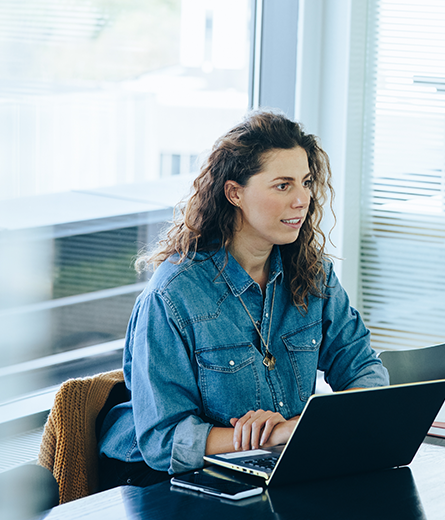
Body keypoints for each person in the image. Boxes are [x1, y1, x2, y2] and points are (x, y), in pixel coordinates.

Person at [97, 110, 389, 489]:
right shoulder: (171, 297)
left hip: (274, 467)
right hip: (169, 484)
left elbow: (364, 370)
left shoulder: (313, 274)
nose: (303, 199)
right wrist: (272, 436)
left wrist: (293, 429)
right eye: (283, 186)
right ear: (235, 193)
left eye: (306, 182)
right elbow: (164, 440)